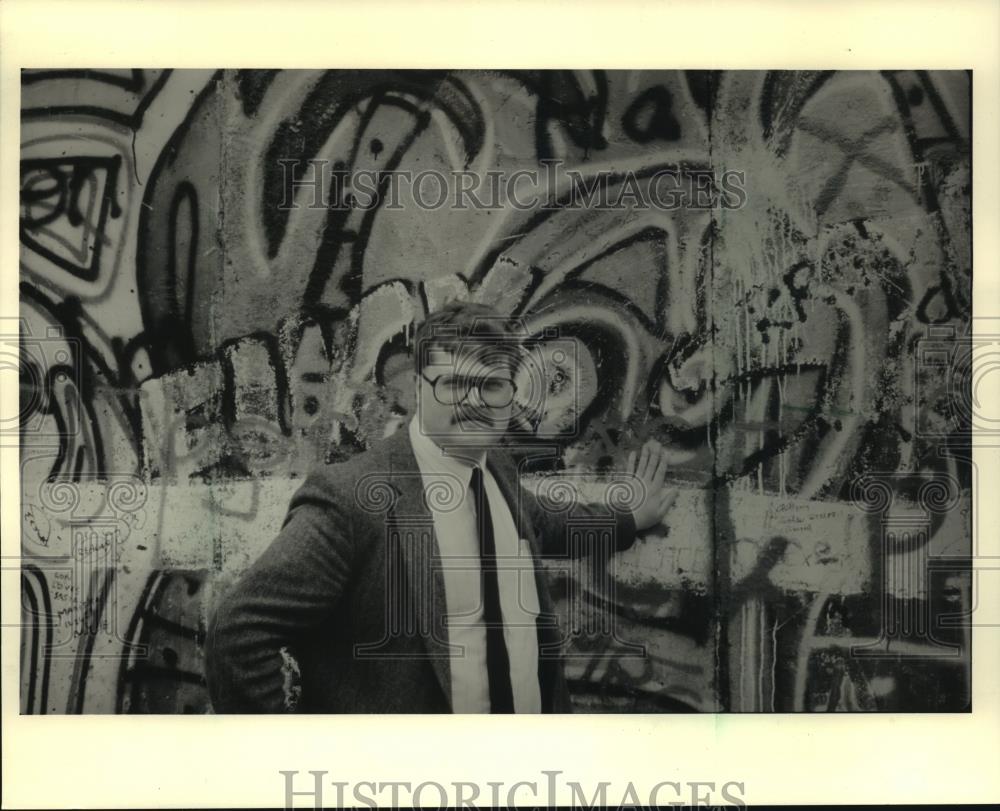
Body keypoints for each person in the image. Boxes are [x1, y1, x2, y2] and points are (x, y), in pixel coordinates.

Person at [205, 301, 677, 713]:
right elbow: (240, 632)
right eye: (454, 383)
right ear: (418, 390)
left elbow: (547, 526)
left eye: (492, 386)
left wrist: (632, 519)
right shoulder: (351, 497)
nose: (475, 402)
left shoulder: (498, 471)